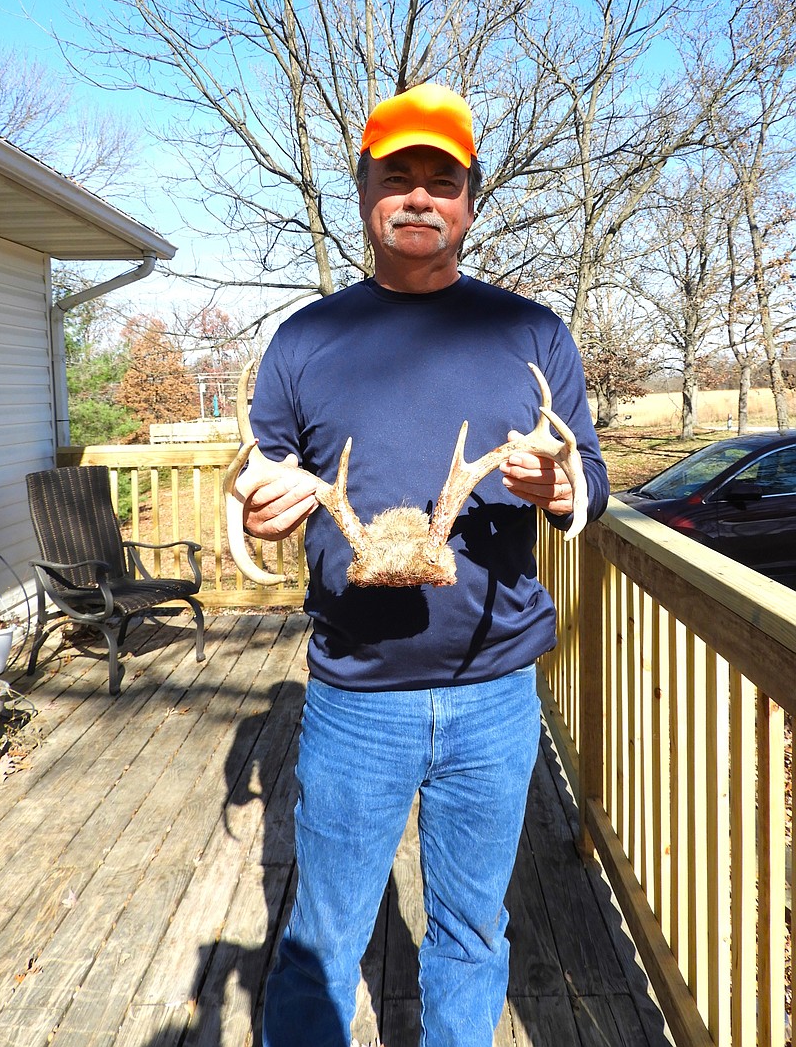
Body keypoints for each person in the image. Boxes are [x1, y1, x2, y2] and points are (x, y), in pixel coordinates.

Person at [244, 82, 610, 1047]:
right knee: (321, 938)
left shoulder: (532, 333)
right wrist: (265, 510)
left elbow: (593, 475)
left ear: (471, 200)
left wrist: (566, 490)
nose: (418, 197)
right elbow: (266, 469)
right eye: (395, 176)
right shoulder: (306, 340)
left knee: (471, 933)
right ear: (363, 190)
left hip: (495, 696)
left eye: (439, 180)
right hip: (355, 698)